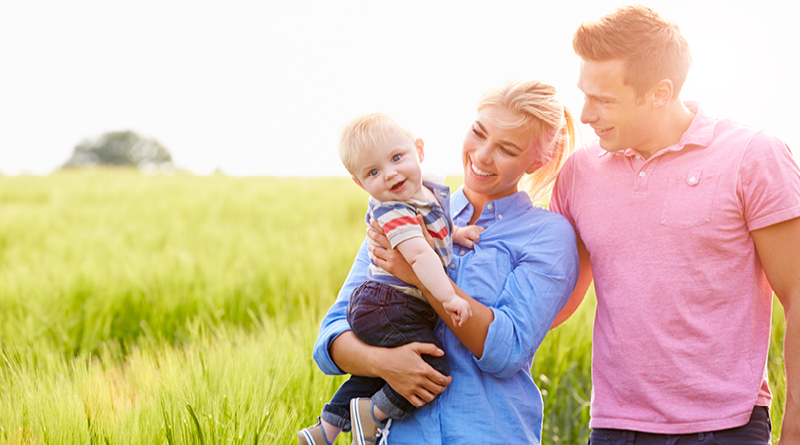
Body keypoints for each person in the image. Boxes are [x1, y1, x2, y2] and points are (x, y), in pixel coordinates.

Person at [549, 5, 800, 444]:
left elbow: (797, 291)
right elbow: (551, 296)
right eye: (584, 94)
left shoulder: (752, 156)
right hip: (613, 429)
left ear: (660, 92)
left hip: (727, 428)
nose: (585, 115)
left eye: (604, 100)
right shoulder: (579, 172)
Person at [311, 79, 580, 444]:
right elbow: (330, 339)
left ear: (538, 159)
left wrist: (420, 277)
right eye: (479, 133)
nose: (483, 155)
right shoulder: (402, 210)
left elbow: (507, 349)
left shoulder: (547, 235)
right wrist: (384, 365)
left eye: (506, 148)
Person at [298, 112, 482, 445]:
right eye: (373, 171)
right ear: (360, 183)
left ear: (419, 151)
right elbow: (420, 256)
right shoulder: (393, 209)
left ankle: (326, 428)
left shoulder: (428, 191)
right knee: (431, 368)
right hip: (388, 304)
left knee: (384, 372)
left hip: (384, 304)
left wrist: (456, 233)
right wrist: (449, 298)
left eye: (397, 158)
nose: (391, 173)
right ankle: (372, 415)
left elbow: (435, 231)